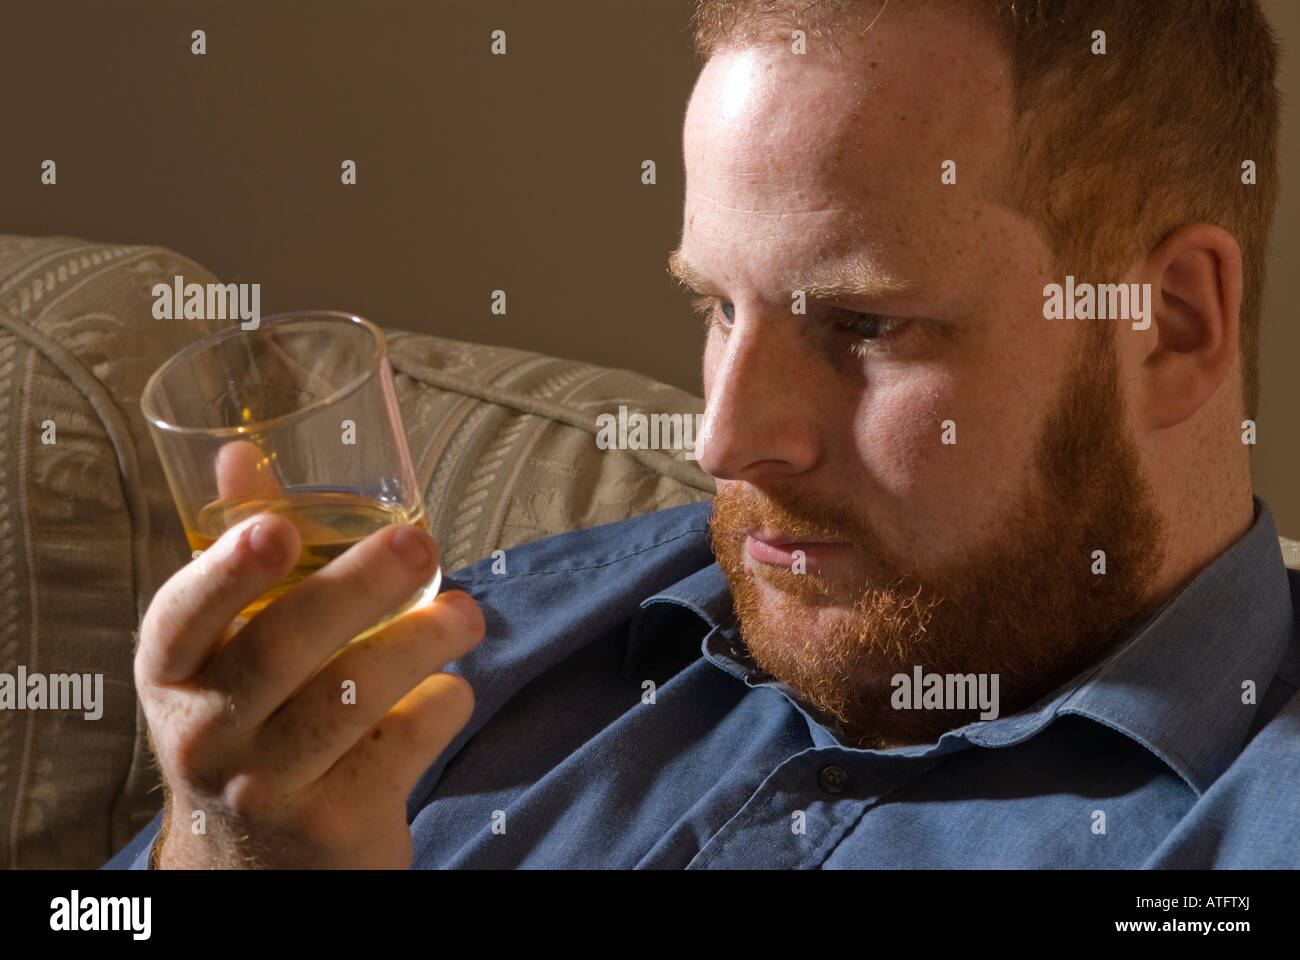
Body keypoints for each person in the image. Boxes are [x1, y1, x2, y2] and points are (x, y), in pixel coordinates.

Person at [105, 0, 1296, 869]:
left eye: (863, 324)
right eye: (717, 308)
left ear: (1168, 327)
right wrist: (215, 856)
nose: (724, 438)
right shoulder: (473, 648)